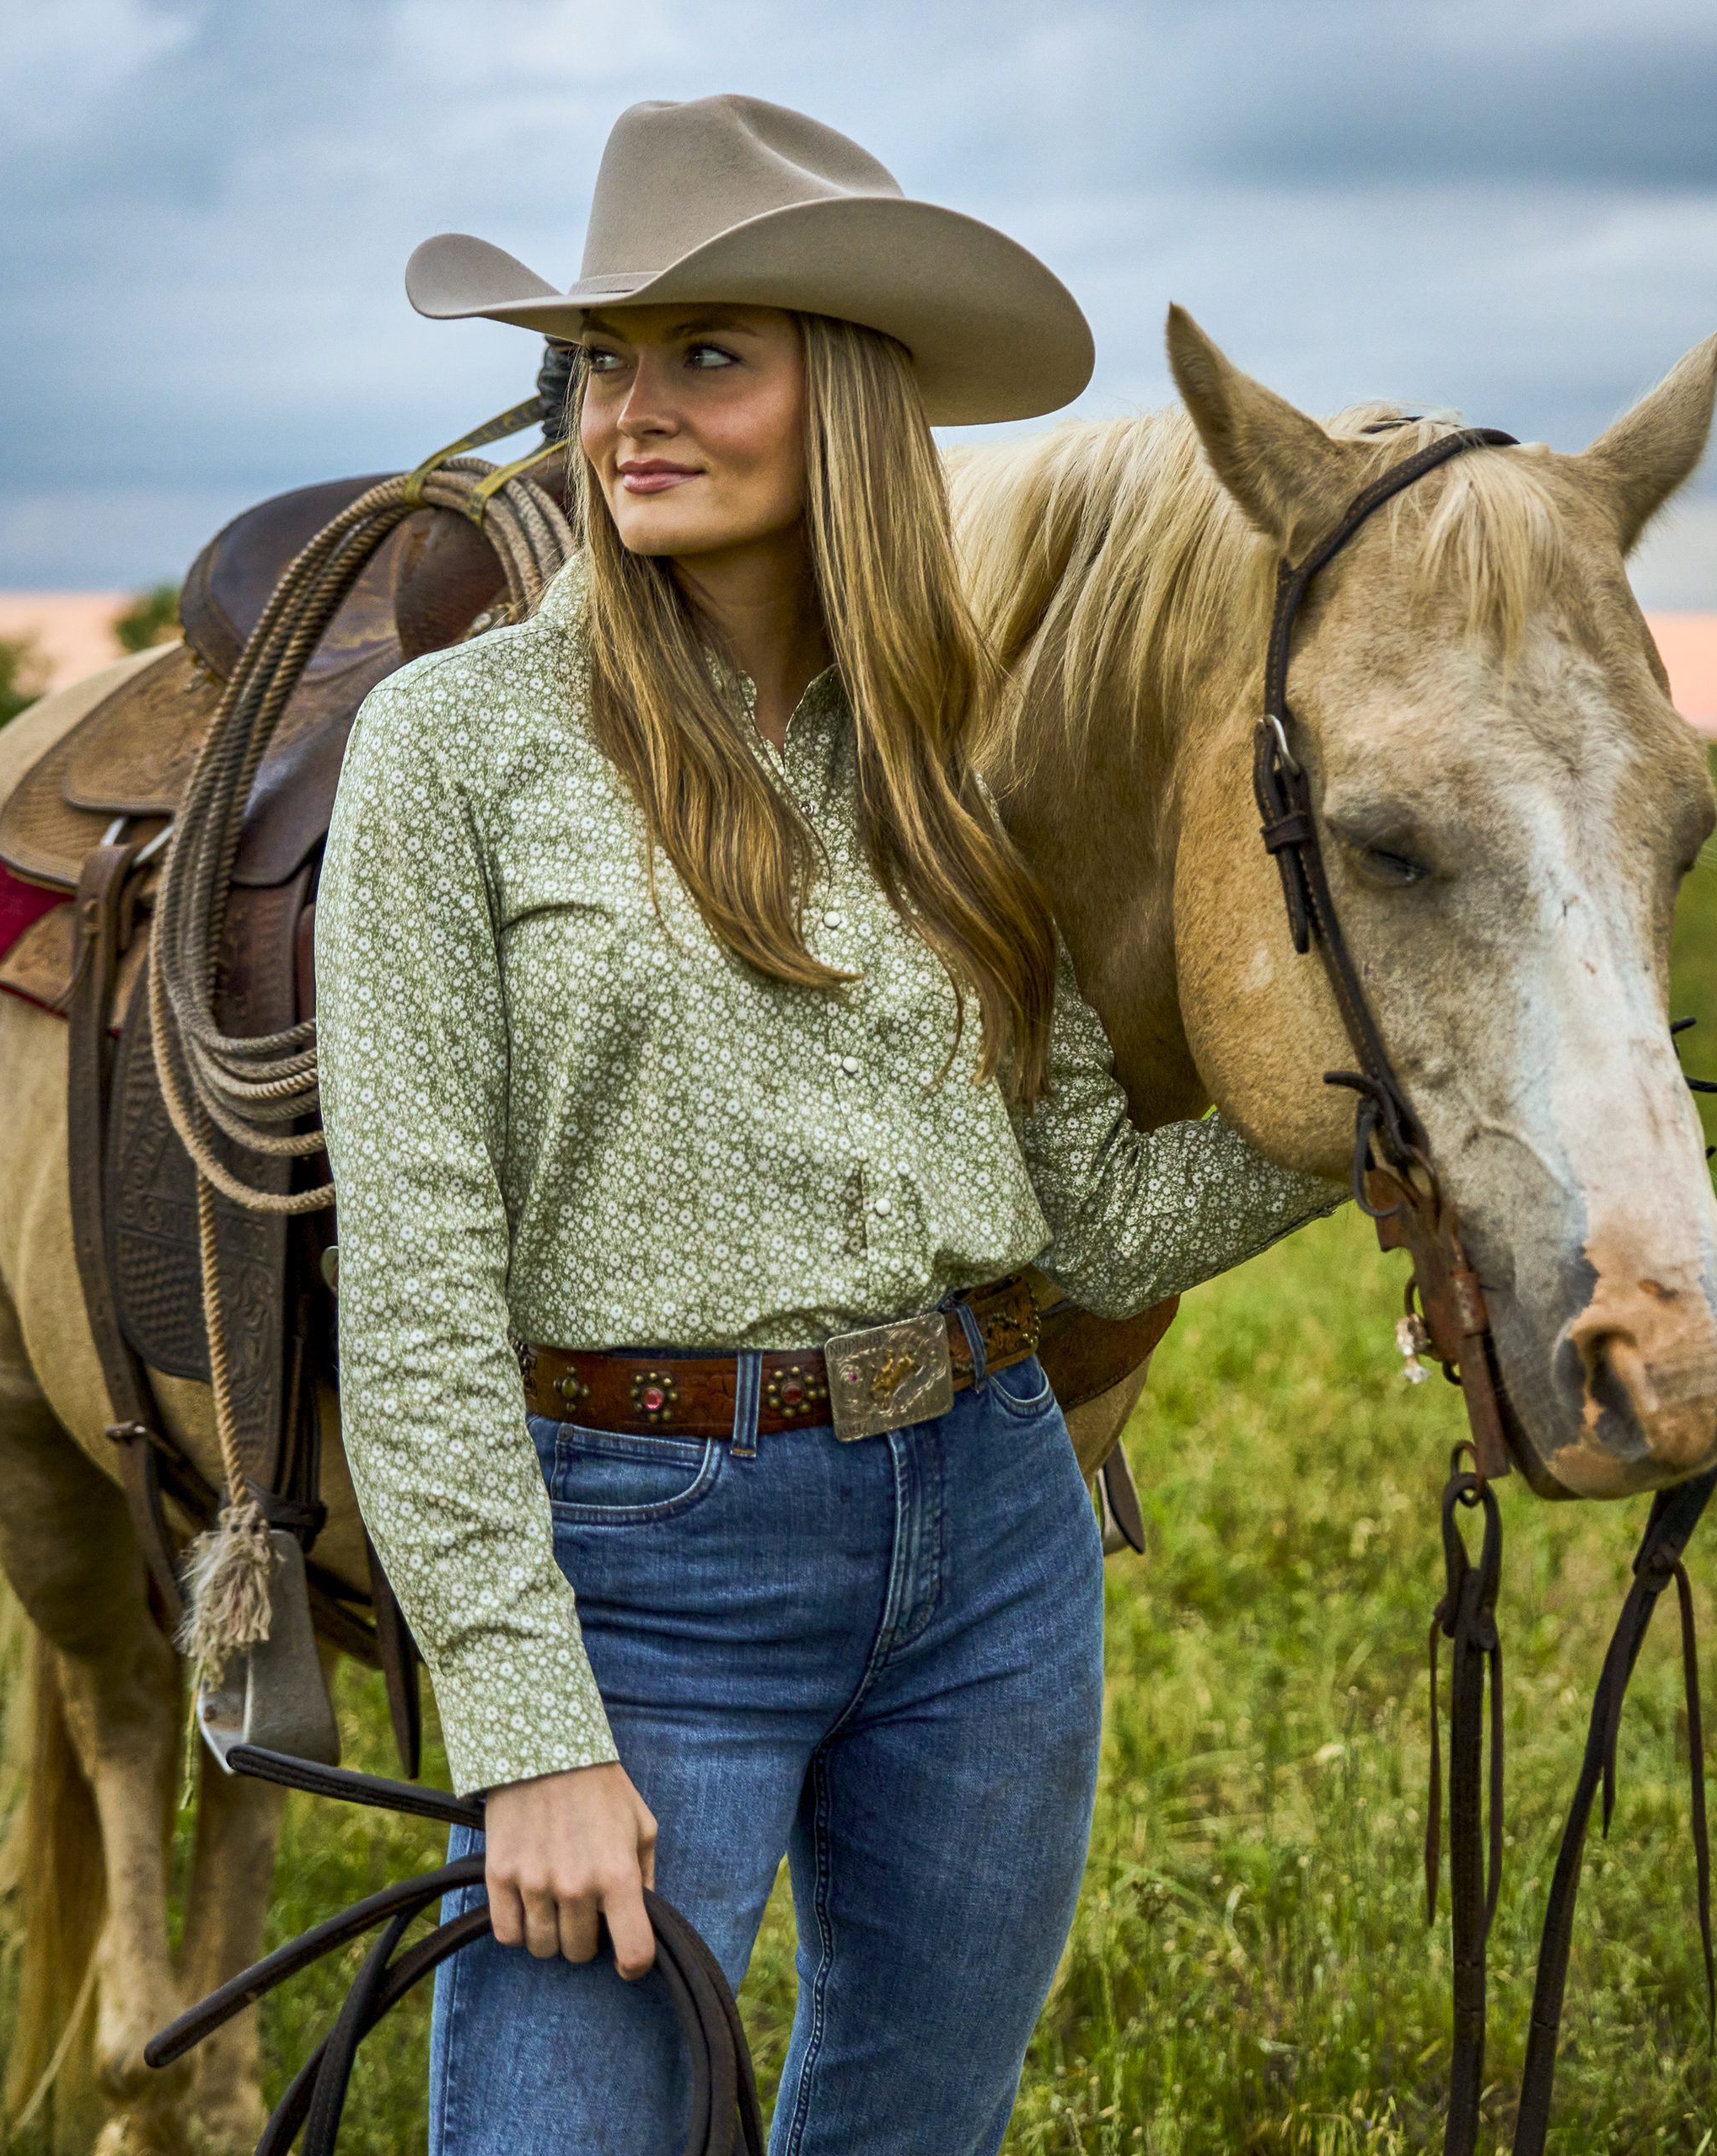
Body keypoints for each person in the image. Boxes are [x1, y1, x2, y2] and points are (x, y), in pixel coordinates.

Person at [315, 94, 1336, 2156]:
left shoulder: (950, 755)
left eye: (706, 355)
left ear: (849, 399)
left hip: (991, 1524)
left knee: (910, 2130)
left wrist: (1367, 1128)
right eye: (602, 362)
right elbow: (416, 1296)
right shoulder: (456, 747)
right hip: (643, 1549)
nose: (626, 414)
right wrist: (528, 1729)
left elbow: (1095, 1221)